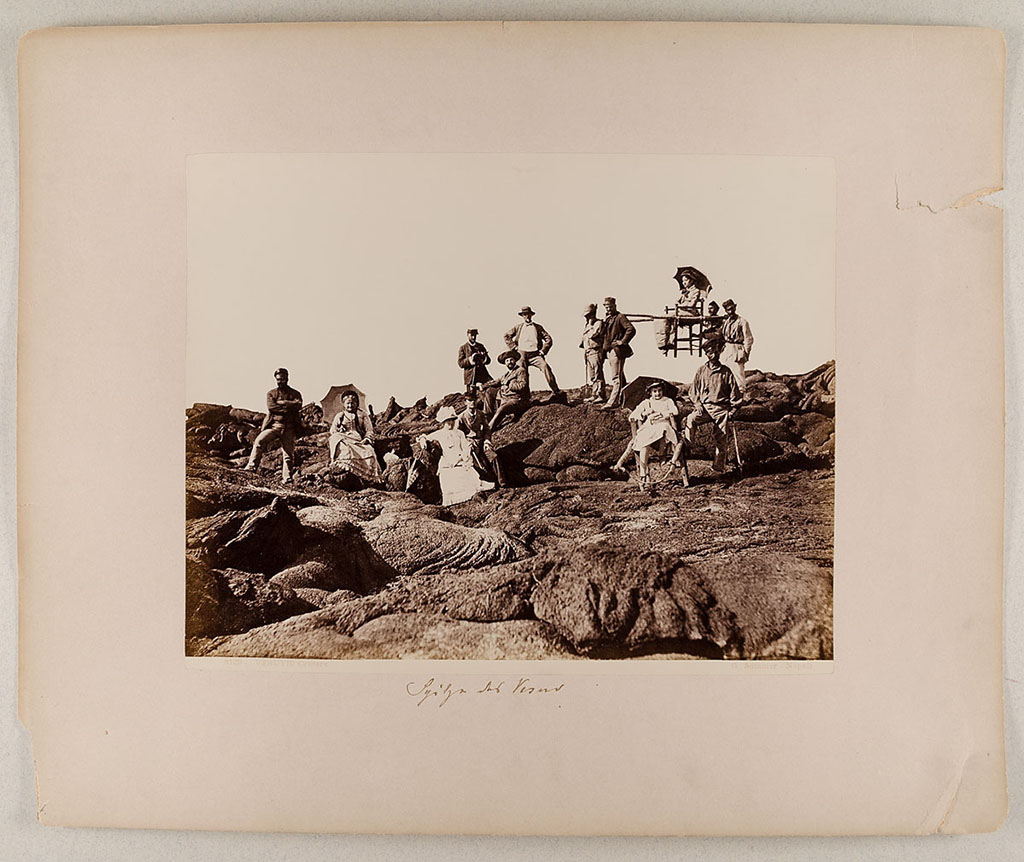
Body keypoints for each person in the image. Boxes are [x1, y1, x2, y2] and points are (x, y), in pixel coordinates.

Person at [683, 336, 743, 473]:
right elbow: (693, 391)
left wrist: (732, 411)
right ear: (706, 354)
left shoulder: (726, 372)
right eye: (709, 352)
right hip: (704, 408)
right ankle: (688, 447)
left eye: (715, 352)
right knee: (690, 419)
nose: (713, 355)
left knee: (721, 439)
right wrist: (697, 403)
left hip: (721, 409)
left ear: (719, 352)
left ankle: (718, 468)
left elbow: (736, 396)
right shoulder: (701, 371)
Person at [417, 406, 495, 506]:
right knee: (449, 480)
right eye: (447, 421)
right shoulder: (439, 434)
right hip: (447, 463)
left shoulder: (460, 433)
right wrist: (423, 440)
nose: (450, 423)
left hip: (460, 460)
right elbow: (424, 437)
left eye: (452, 420)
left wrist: (462, 457)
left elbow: (465, 448)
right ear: (443, 422)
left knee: (470, 479)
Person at [612, 380, 682, 491]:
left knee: (663, 429)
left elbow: (675, 411)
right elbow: (634, 414)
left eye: (659, 391)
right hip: (650, 428)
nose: (657, 394)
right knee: (644, 442)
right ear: (650, 392)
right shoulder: (647, 403)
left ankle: (662, 455)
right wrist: (642, 414)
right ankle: (643, 472)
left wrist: (662, 414)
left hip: (664, 426)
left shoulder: (667, 401)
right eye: (654, 391)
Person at [244, 367, 303, 483]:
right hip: (274, 425)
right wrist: (289, 407)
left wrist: (283, 403)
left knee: (288, 454)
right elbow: (271, 407)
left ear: (287, 378)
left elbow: (298, 405)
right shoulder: (271, 393)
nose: (281, 381)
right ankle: (251, 467)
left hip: (289, 427)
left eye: (283, 379)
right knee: (259, 442)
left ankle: (287, 477)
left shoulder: (295, 393)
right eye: (279, 379)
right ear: (276, 380)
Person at [503, 306, 565, 403]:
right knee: (522, 373)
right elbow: (506, 336)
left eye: (528, 314)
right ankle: (524, 397)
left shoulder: (538, 327)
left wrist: (543, 351)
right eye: (524, 315)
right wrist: (514, 348)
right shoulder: (518, 327)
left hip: (535, 354)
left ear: (531, 315)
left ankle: (556, 391)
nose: (526, 316)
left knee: (545, 367)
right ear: (522, 316)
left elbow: (549, 339)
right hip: (521, 354)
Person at [328, 389, 383, 485]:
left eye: (353, 403)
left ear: (357, 403)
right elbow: (332, 431)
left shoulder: (362, 415)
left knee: (369, 451)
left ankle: (368, 476)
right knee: (335, 438)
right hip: (344, 438)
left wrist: (367, 439)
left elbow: (369, 430)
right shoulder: (340, 416)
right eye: (348, 403)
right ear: (344, 404)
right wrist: (339, 430)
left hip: (357, 440)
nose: (350, 405)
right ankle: (343, 464)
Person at [458, 393, 505, 487]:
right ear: (465, 402)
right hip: (471, 445)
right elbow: (458, 434)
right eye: (469, 401)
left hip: (482, 442)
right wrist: (466, 444)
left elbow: (487, 429)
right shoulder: (462, 417)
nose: (472, 403)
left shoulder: (481, 414)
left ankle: (502, 482)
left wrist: (487, 441)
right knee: (478, 464)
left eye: (474, 400)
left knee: (494, 457)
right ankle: (487, 484)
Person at [600, 296, 636, 409]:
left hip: (617, 351)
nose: (608, 309)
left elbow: (631, 329)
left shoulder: (620, 317)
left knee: (616, 377)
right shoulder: (608, 318)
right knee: (620, 375)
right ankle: (625, 398)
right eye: (606, 307)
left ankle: (612, 402)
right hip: (609, 350)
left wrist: (622, 341)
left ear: (615, 306)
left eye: (610, 307)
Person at [487, 349, 532, 432]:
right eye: (507, 361)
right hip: (506, 399)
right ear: (505, 363)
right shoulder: (506, 375)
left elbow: (522, 386)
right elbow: (496, 381)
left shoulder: (521, 371)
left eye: (511, 360)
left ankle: (489, 429)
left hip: (518, 400)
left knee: (502, 409)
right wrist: (482, 386)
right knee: (490, 391)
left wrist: (510, 384)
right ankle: (487, 417)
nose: (509, 362)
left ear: (515, 360)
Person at [719, 298, 755, 397]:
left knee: (738, 372)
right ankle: (727, 394)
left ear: (735, 307)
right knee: (724, 371)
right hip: (727, 348)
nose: (730, 311)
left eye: (731, 309)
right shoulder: (726, 321)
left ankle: (741, 394)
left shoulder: (742, 321)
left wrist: (746, 353)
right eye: (727, 310)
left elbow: (749, 338)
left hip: (737, 348)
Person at [579, 303, 606, 402]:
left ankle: (600, 394)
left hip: (596, 351)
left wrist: (590, 325)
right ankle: (594, 394)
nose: (586, 318)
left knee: (597, 373)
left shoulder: (598, 323)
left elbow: (593, 334)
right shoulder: (587, 325)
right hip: (588, 352)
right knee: (592, 375)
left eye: (588, 315)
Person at [457, 328, 493, 395]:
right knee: (471, 396)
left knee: (488, 391)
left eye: (475, 335)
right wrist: (470, 359)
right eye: (471, 335)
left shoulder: (481, 346)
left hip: (482, 374)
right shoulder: (463, 348)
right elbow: (460, 363)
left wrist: (484, 356)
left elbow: (488, 361)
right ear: (467, 335)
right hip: (470, 376)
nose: (473, 337)